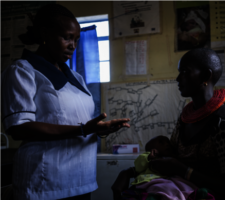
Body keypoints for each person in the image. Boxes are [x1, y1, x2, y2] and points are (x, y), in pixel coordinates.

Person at [0, 4, 130, 200]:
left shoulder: (76, 77)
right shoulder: (22, 71)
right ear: (45, 34)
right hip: (44, 183)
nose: (73, 45)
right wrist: (82, 130)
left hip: (82, 180)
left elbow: (79, 121)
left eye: (76, 39)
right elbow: (19, 128)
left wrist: (98, 129)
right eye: (67, 37)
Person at [111, 48, 225, 200]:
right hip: (178, 189)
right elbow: (167, 160)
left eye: (185, 71)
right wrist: (128, 173)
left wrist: (184, 170)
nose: (178, 78)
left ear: (206, 75)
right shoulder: (185, 119)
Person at [124, 135, 214, 200]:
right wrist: (148, 157)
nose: (166, 144)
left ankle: (191, 194)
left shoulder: (173, 158)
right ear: (151, 149)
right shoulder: (149, 157)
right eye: (161, 142)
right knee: (165, 188)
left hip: (171, 180)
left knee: (184, 185)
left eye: (168, 142)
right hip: (154, 181)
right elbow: (138, 166)